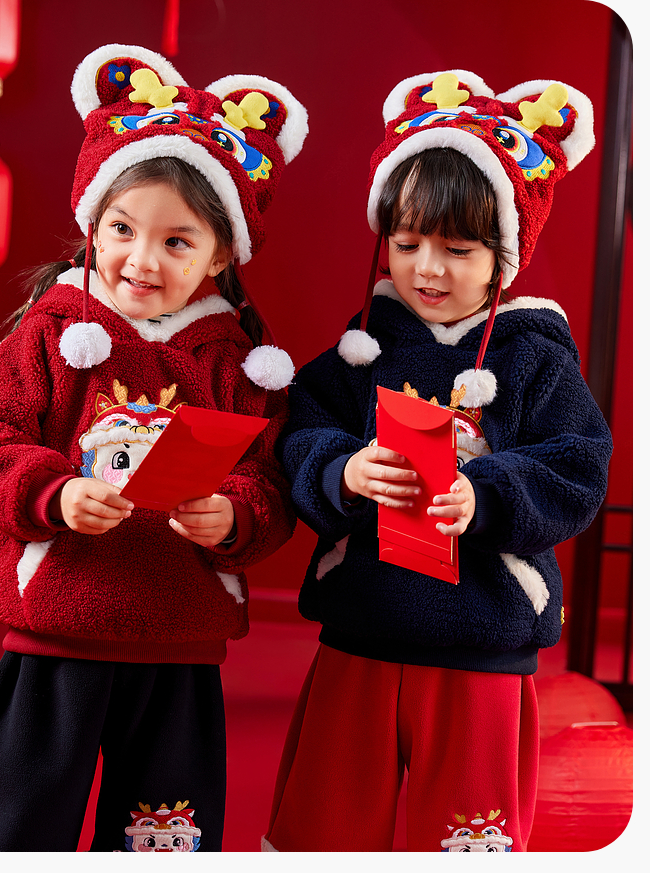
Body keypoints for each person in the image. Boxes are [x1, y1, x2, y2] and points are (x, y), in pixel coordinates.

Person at [0, 43, 308, 852]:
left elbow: (272, 481)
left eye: (177, 242)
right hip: (55, 630)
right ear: (92, 222)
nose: (140, 260)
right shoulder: (54, 331)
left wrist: (235, 517)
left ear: (221, 254)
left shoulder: (236, 360)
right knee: (14, 832)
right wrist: (53, 492)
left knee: (162, 838)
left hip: (180, 643)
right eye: (121, 229)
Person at [262, 70, 613, 853]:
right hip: (363, 623)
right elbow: (301, 430)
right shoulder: (364, 346)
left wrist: (485, 494)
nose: (428, 268)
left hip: (483, 637)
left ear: (505, 254)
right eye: (407, 243)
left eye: (458, 249)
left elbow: (577, 466)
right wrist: (342, 471)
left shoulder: (534, 357)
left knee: (466, 835)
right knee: (326, 826)